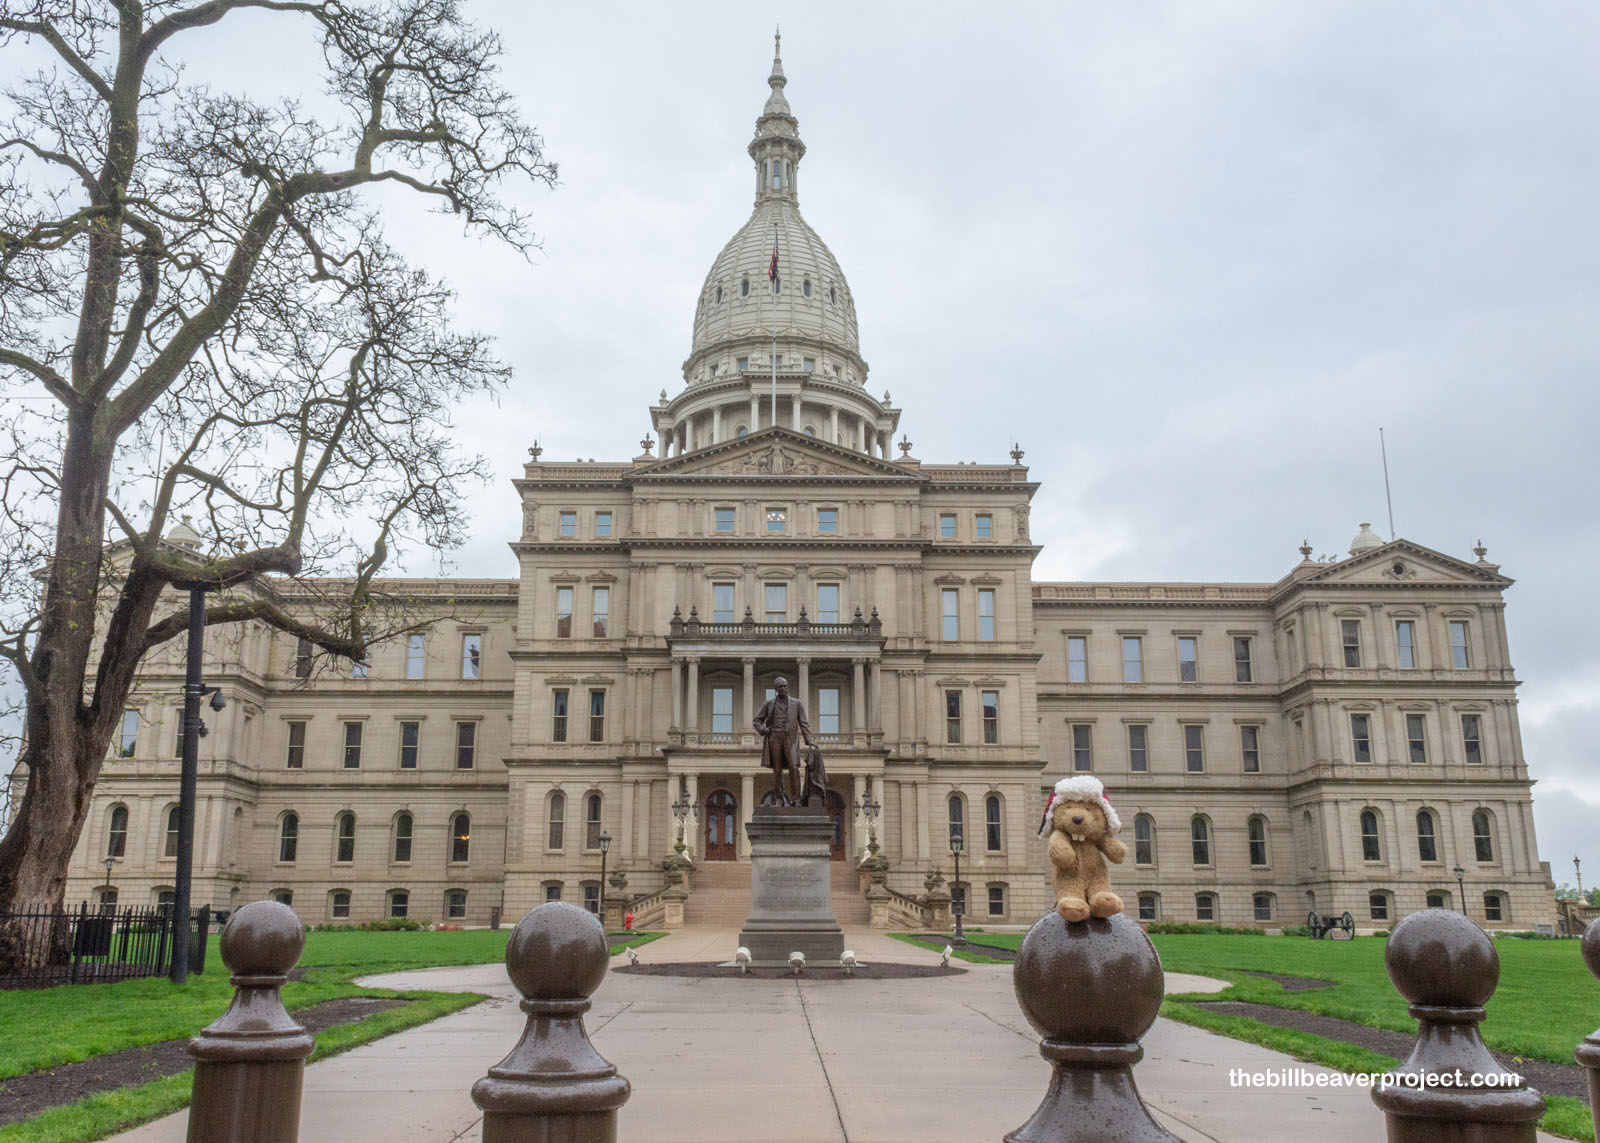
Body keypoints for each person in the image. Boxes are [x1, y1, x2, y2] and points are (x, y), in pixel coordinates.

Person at [752, 676, 813, 804]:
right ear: (776, 689)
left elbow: (804, 723)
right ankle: (779, 799)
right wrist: (764, 730)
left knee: (794, 768)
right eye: (780, 686)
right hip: (774, 737)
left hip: (790, 738)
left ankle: (796, 799)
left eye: (785, 686)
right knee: (777, 769)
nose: (783, 688)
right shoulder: (769, 704)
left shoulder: (797, 703)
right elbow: (757, 721)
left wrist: (809, 740)